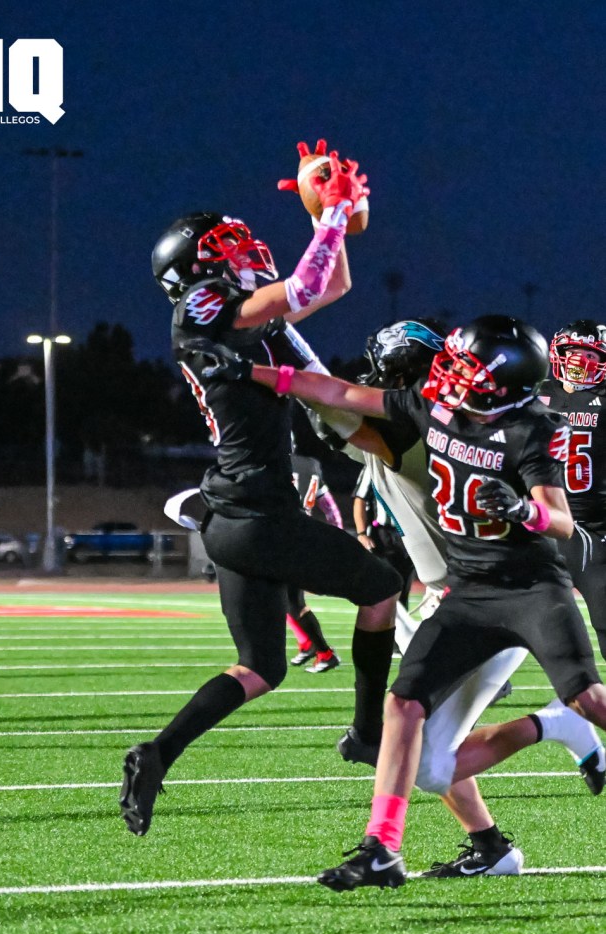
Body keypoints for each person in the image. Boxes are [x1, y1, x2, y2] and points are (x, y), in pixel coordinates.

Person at [195, 314, 606, 886]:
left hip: (527, 589)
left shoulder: (525, 429)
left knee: (579, 702)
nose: (450, 376)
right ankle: (393, 849)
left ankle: (557, 733)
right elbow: (337, 392)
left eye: (465, 368)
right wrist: (257, 367)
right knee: (407, 714)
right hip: (463, 593)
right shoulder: (429, 406)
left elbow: (559, 518)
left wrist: (521, 511)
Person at [120, 144, 404, 838]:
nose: (245, 249)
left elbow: (325, 287)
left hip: (232, 515)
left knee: (259, 667)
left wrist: (333, 223)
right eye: (227, 245)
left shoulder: (248, 321)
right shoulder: (203, 305)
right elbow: (304, 291)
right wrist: (330, 213)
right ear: (194, 268)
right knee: (381, 589)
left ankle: (155, 754)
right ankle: (367, 733)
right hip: (258, 513)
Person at [545, 321, 606, 661]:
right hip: (539, 525)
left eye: (592, 355)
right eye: (576, 354)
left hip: (594, 528)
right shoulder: (536, 395)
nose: (583, 362)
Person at [288, 446, 342, 673]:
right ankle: (308, 644)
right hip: (303, 536)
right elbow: (329, 507)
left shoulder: (268, 461)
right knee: (284, 598)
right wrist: (337, 535)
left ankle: (324, 652)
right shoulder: (311, 464)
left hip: (283, 537)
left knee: (291, 601)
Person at [353, 465, 415, 610]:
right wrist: (361, 533)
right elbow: (360, 499)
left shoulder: (413, 465)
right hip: (383, 535)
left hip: (410, 533)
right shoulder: (373, 467)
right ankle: (383, 626)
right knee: (387, 586)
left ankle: (397, 629)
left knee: (404, 589)